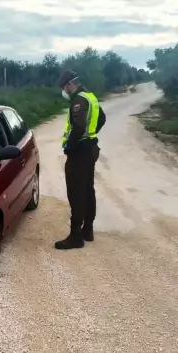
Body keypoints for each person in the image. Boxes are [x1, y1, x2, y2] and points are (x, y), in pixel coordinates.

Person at [55, 69, 106, 250]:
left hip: (80, 152)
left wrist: (71, 144)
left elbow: (77, 126)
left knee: (76, 192)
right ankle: (88, 230)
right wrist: (91, 135)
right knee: (87, 189)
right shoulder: (90, 96)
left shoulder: (78, 100)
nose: (64, 91)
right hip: (90, 148)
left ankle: (76, 236)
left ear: (70, 84)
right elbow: (102, 118)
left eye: (64, 87)